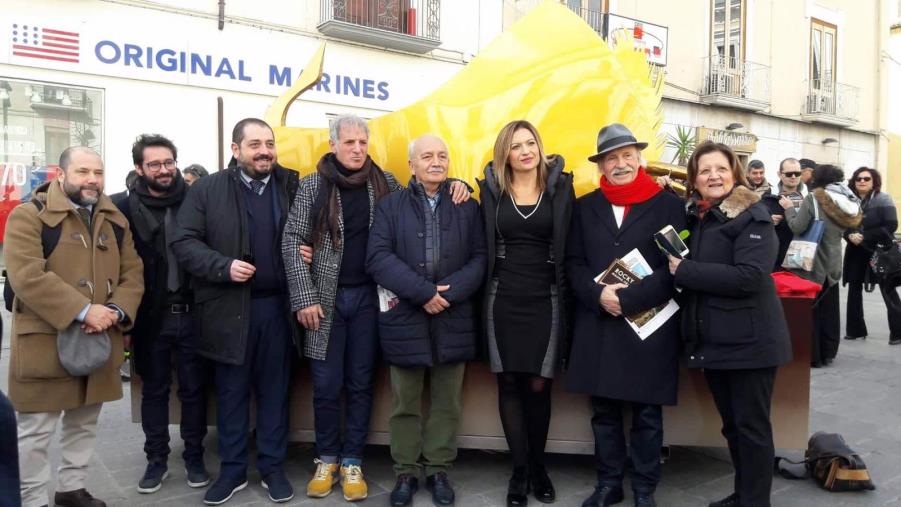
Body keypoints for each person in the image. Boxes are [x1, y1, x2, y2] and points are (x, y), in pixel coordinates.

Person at [282, 115, 469, 502]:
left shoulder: (383, 182)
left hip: (371, 300)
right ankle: (327, 458)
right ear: (333, 145)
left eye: (363, 142)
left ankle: (352, 460)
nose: (357, 149)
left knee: (362, 383)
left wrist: (457, 184)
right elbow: (292, 241)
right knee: (326, 385)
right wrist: (304, 296)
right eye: (349, 142)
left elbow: (424, 192)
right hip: (324, 302)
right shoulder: (313, 185)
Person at [5, 146, 144, 507]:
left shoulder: (115, 219)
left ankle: (71, 489)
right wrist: (84, 310)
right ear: (61, 175)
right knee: (36, 431)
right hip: (46, 343)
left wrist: (115, 310)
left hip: (100, 339)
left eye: (97, 172)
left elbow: (133, 273)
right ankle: (31, 500)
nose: (92, 180)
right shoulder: (28, 216)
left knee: (83, 422)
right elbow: (26, 277)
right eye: (83, 172)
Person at [171, 118, 300, 505]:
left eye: (270, 143)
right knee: (231, 393)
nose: (265, 151)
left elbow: (316, 229)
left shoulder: (290, 184)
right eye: (255, 144)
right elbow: (183, 240)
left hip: (278, 310)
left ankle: (273, 468)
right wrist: (222, 266)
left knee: (276, 393)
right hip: (228, 309)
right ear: (236, 149)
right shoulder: (208, 189)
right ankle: (232, 471)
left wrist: (308, 249)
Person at [667, 141, 792, 507]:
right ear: (694, 179)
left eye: (720, 168)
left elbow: (750, 277)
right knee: (735, 427)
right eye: (704, 170)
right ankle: (744, 496)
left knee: (751, 428)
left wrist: (686, 271)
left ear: (734, 174)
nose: (713, 176)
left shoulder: (752, 216)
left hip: (751, 344)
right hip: (718, 343)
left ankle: (755, 502)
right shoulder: (702, 216)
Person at [566, 124, 684, 507]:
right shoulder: (585, 207)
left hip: (647, 325)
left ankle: (645, 490)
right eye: (611, 158)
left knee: (647, 415)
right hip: (599, 322)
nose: (620, 164)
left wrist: (629, 298)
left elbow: (676, 267)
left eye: (627, 156)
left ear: (639, 158)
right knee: (603, 412)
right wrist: (598, 294)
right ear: (601, 164)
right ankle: (609, 484)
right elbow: (573, 263)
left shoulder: (668, 205)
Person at [366, 134, 487, 507]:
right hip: (406, 316)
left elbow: (481, 258)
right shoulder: (390, 206)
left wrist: (448, 295)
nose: (436, 161)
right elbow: (378, 258)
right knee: (405, 402)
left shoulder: (467, 205)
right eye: (427, 156)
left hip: (454, 315)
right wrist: (424, 293)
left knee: (447, 401)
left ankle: (438, 469)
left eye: (442, 155)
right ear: (412, 165)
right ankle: (405, 469)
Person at [476, 120, 574, 507]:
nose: (525, 151)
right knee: (509, 384)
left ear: (540, 147)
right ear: (506, 153)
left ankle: (539, 467)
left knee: (539, 385)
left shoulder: (562, 188)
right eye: (515, 146)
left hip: (546, 297)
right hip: (502, 297)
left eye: (530, 142)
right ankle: (519, 472)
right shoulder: (491, 190)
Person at [113, 134, 210, 494]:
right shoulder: (120, 208)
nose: (164, 170)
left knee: (194, 390)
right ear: (139, 168)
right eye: (154, 164)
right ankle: (156, 460)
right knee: (152, 391)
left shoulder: (196, 201)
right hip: (149, 316)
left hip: (194, 312)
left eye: (169, 162)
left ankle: (195, 456)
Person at [781, 164, 862, 367]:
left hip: (813, 262)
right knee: (830, 309)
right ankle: (829, 351)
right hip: (834, 262)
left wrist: (789, 209)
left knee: (812, 310)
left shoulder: (814, 198)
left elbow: (797, 226)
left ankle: (814, 355)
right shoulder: (846, 201)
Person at [843, 167, 901, 344]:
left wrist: (865, 236)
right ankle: (855, 330)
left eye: (866, 179)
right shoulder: (848, 201)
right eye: (858, 178)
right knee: (854, 290)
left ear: (874, 181)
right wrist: (849, 235)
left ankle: (898, 332)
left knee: (887, 289)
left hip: (879, 251)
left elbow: (891, 225)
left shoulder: (883, 199)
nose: (862, 181)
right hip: (855, 251)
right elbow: (841, 223)